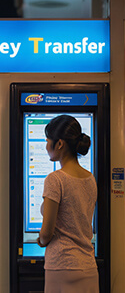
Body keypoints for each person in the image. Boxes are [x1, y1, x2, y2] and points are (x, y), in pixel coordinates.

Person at [37, 115, 99, 293]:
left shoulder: (55, 179)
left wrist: (40, 241)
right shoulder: (90, 178)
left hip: (62, 266)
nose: (46, 146)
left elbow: (47, 232)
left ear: (60, 144)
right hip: (88, 265)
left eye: (47, 141)